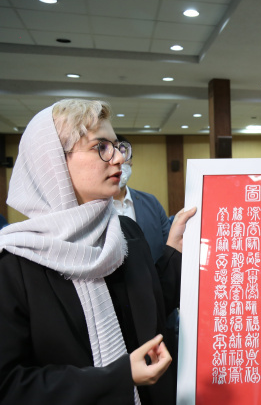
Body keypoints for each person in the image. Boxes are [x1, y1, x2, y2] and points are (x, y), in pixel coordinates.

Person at [0, 99, 196, 404]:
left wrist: (175, 251)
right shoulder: (16, 263)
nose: (119, 158)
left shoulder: (124, 233)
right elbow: (10, 384)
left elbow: (151, 309)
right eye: (101, 147)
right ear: (53, 163)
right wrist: (117, 378)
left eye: (118, 146)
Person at [114, 134, 172, 263]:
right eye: (113, 155)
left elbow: (168, 246)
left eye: (125, 155)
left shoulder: (151, 203)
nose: (120, 162)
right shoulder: (91, 206)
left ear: (131, 162)